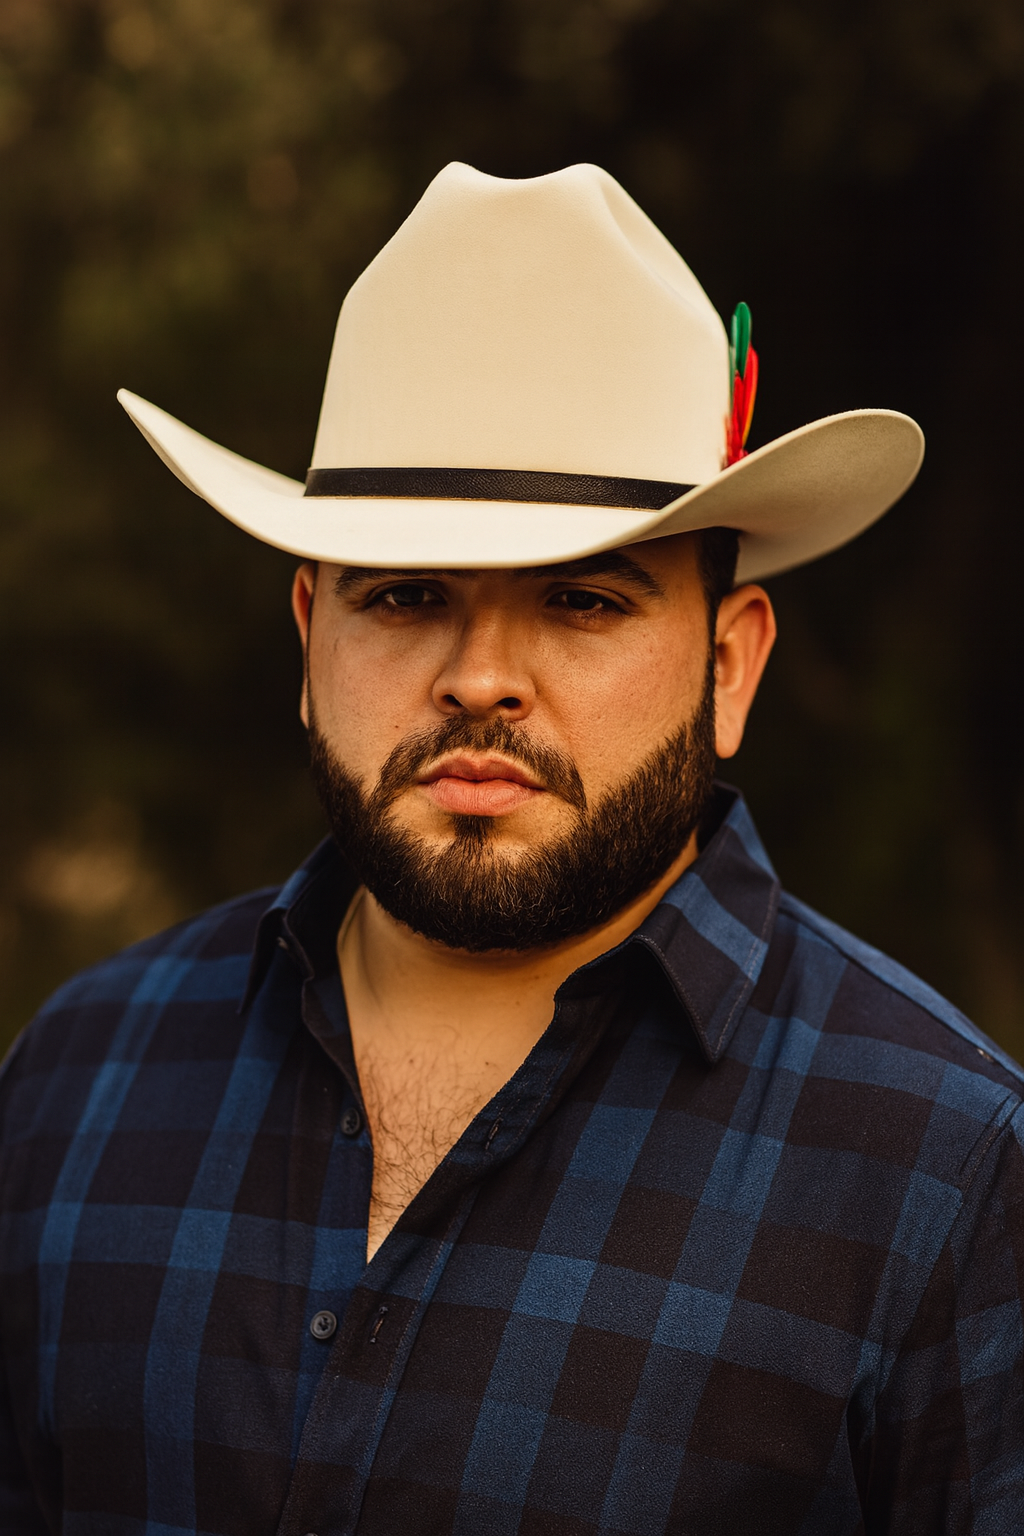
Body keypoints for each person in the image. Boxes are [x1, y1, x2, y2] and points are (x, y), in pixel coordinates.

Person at [1, 161, 1021, 1536]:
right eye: (409, 593)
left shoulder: (950, 1173)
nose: (482, 677)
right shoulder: (75, 1080)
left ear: (729, 666)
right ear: (310, 639)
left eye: (585, 600)